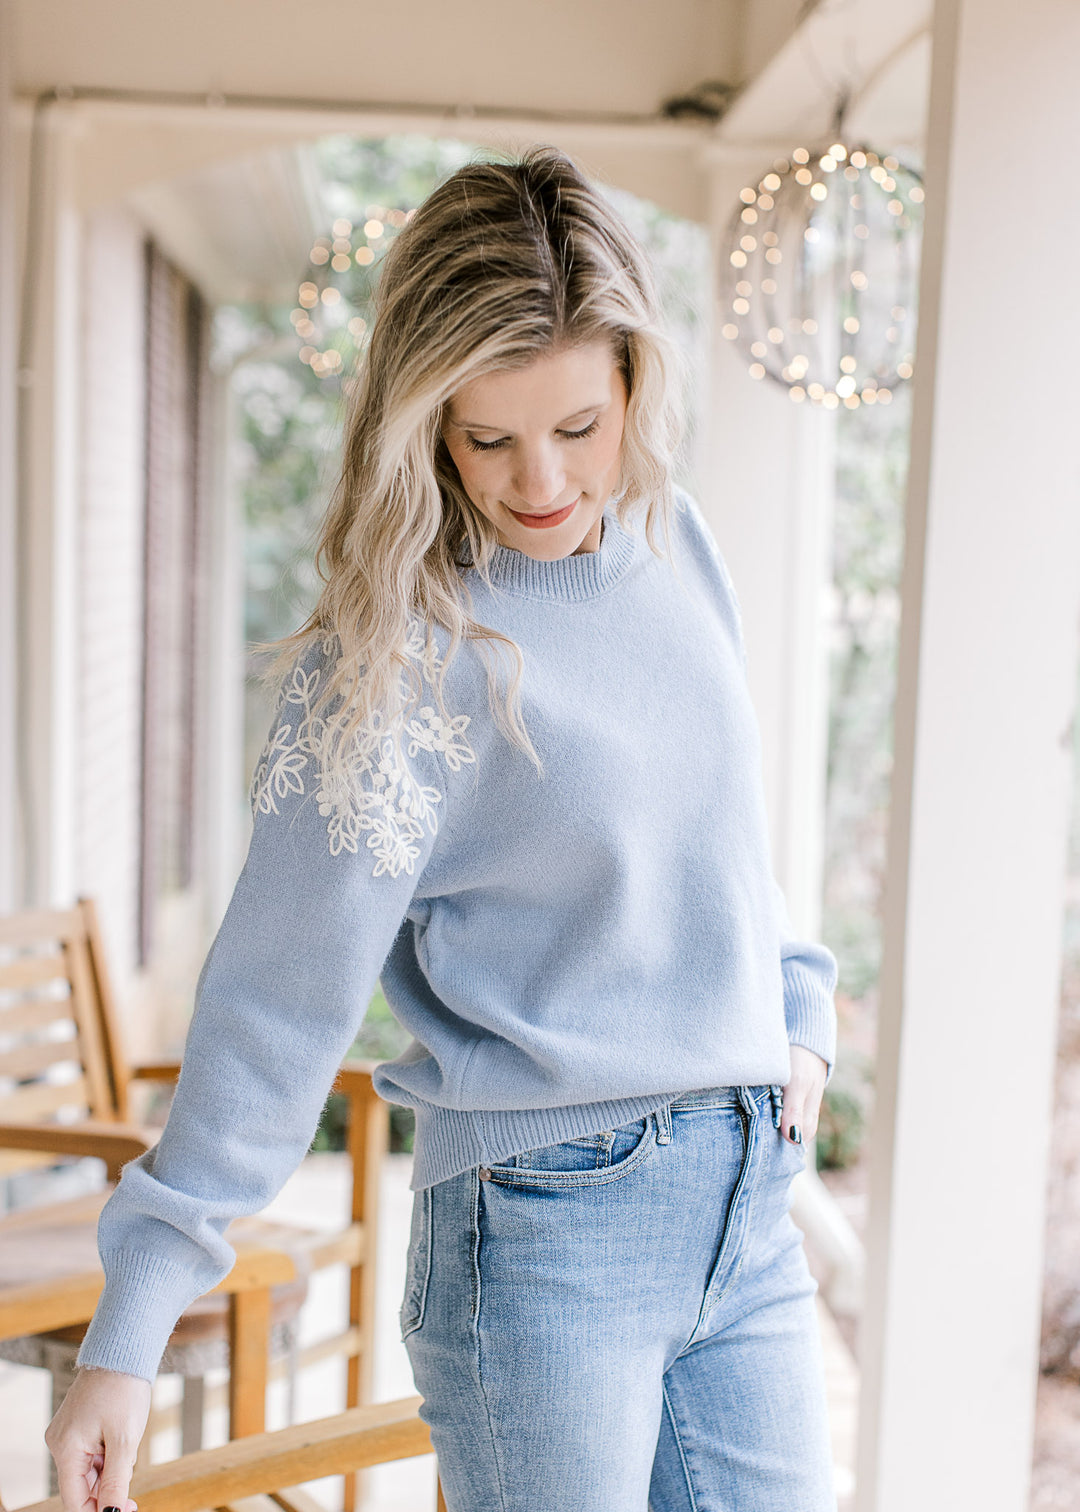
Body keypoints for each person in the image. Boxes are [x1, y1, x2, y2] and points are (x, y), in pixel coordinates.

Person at [45, 145, 839, 1512]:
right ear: (426, 424)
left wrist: (797, 1007)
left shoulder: (676, 547)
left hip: (747, 1208)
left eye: (579, 426)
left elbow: (716, 833)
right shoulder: (399, 661)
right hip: (544, 1235)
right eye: (489, 437)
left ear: (636, 383)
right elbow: (276, 1003)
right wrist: (127, 1334)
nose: (542, 480)